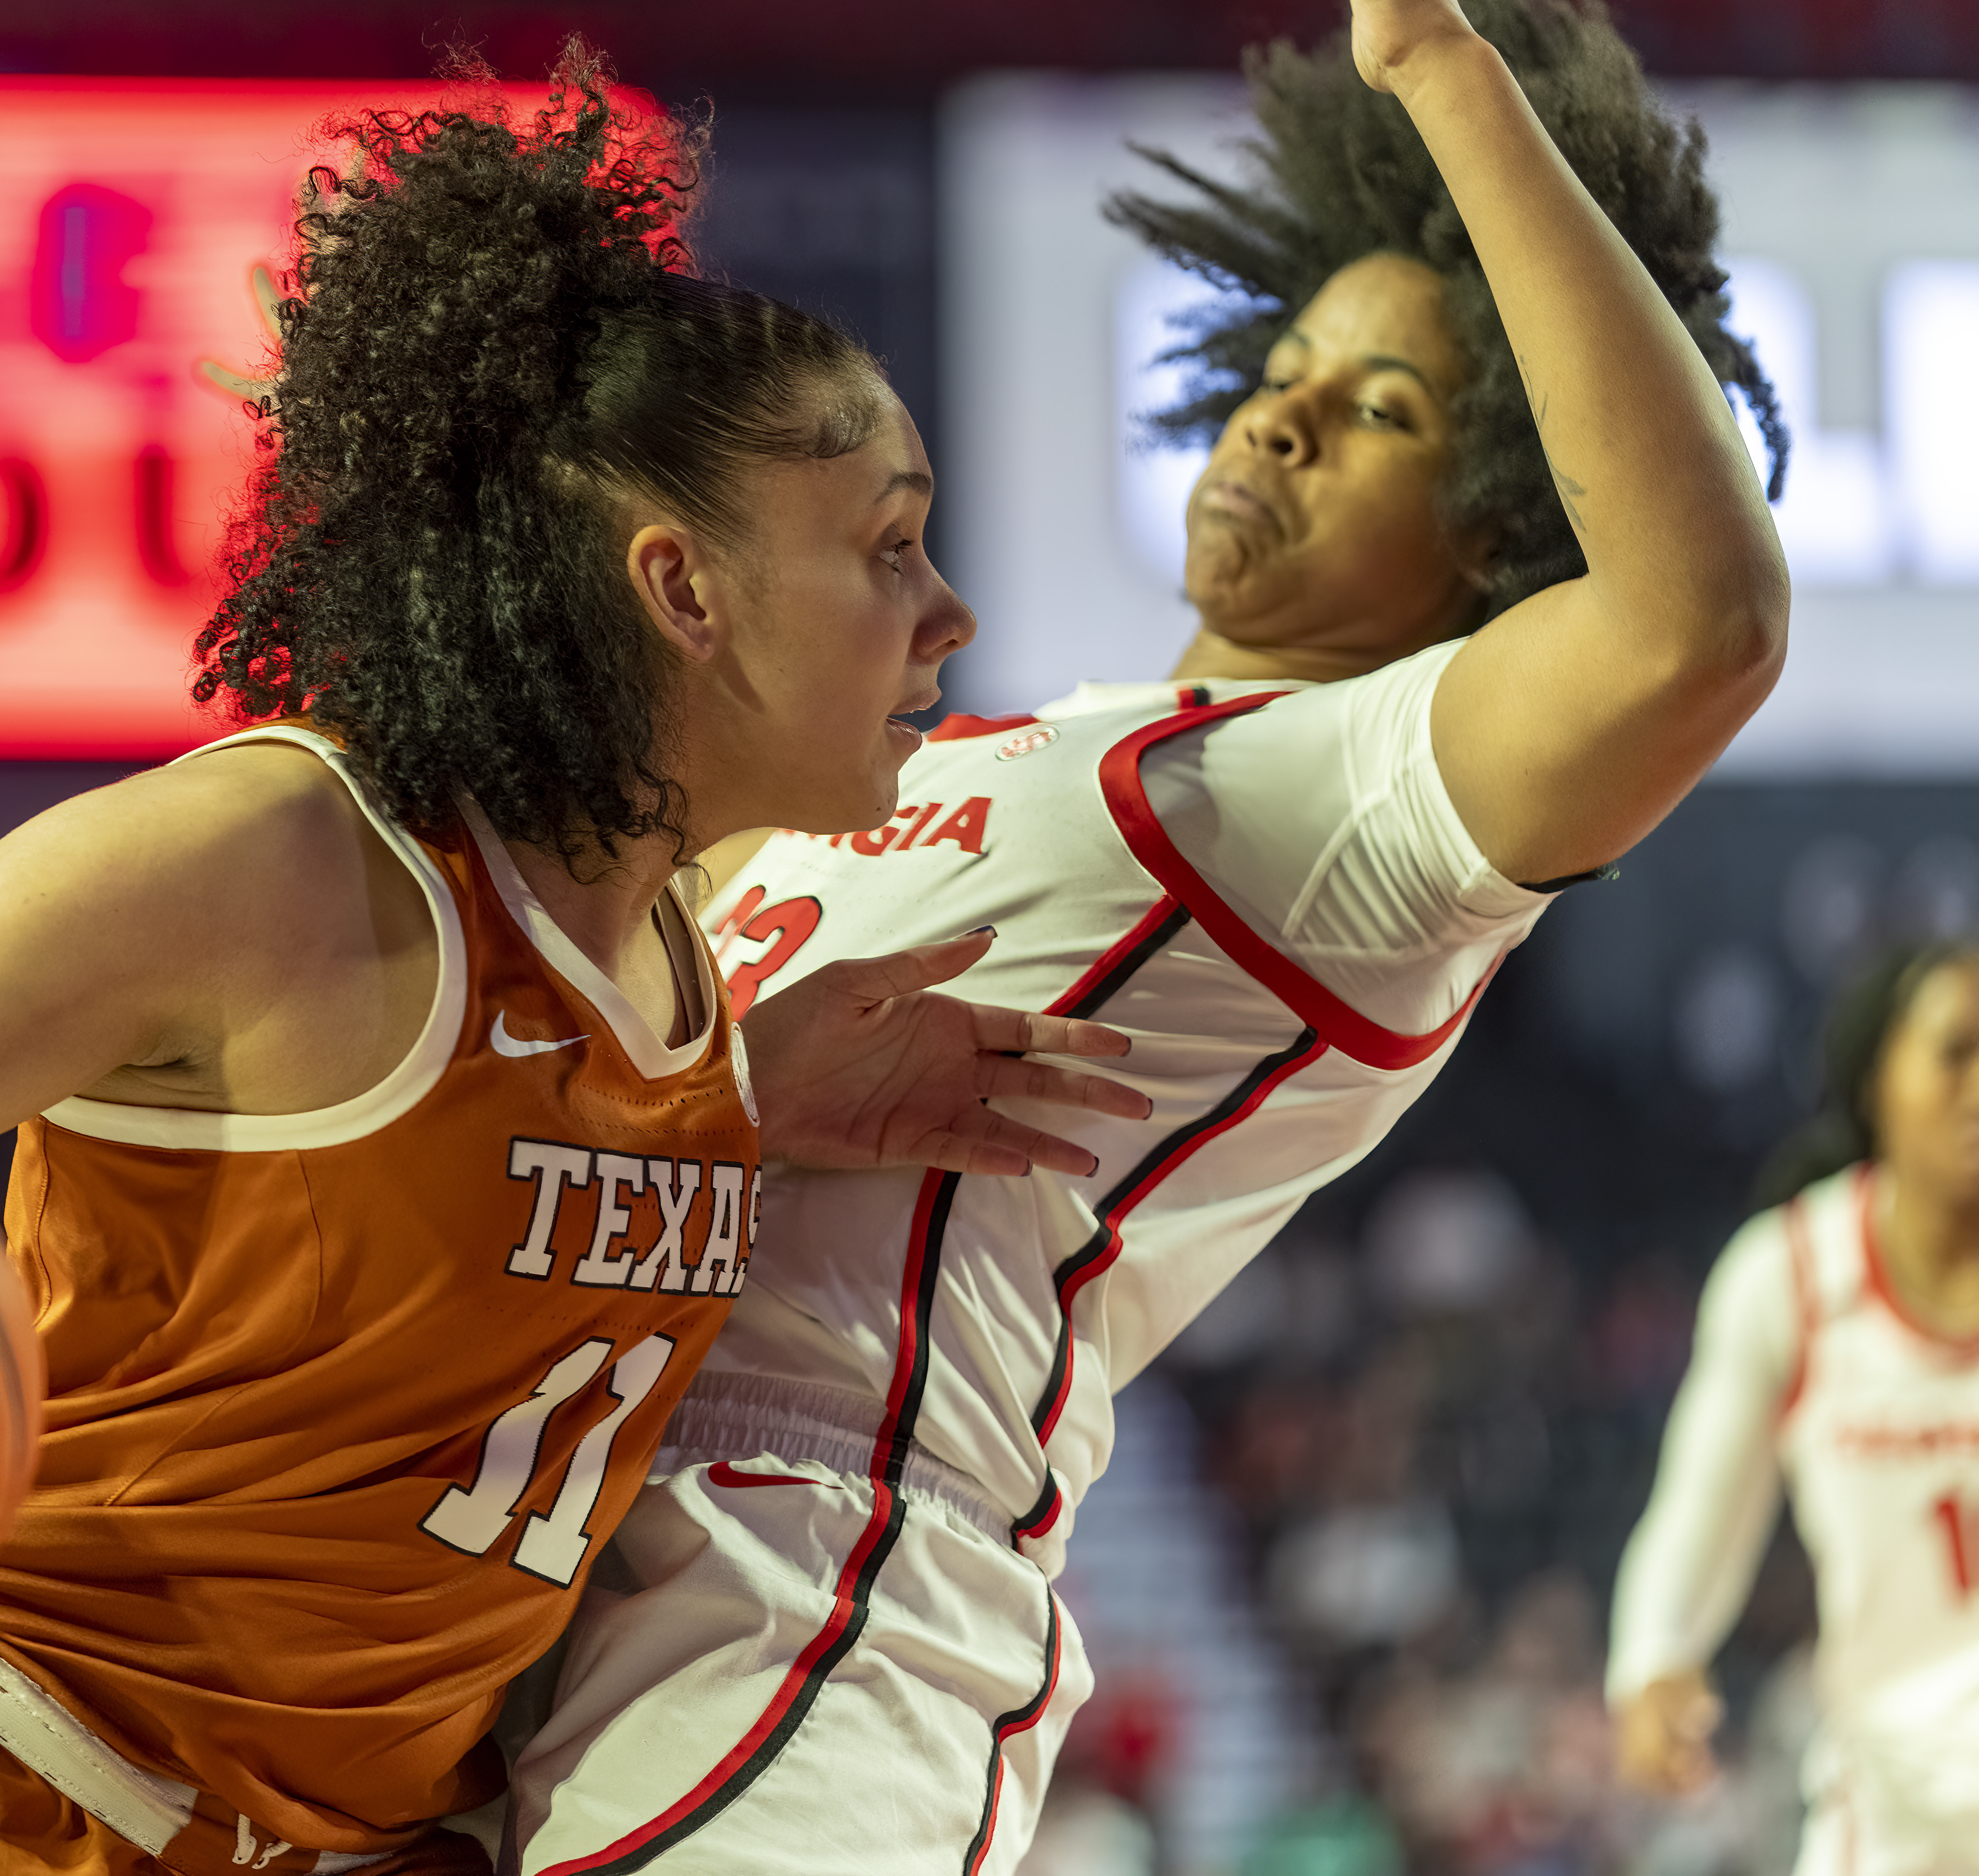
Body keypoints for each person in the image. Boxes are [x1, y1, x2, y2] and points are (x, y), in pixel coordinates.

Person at [0, 60, 1145, 1876]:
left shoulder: (675, 958)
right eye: (887, 547)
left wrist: (743, 1100)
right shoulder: (271, 865)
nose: (950, 611)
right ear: (682, 591)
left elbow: (481, 1196)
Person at [503, 2, 1793, 1870]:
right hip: (557, 1510)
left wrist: (1441, 70)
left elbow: (1698, 626)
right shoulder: (957, 749)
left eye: (1384, 411)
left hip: (809, 1572)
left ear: (1499, 533)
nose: (1283, 412)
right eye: (1289, 366)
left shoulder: (1338, 800)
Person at [1611, 944, 1979, 1876]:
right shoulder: (1792, 1274)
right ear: (1876, 1080)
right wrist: (1653, 1657)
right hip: (1885, 1814)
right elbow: (1697, 1515)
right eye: (1957, 1052)